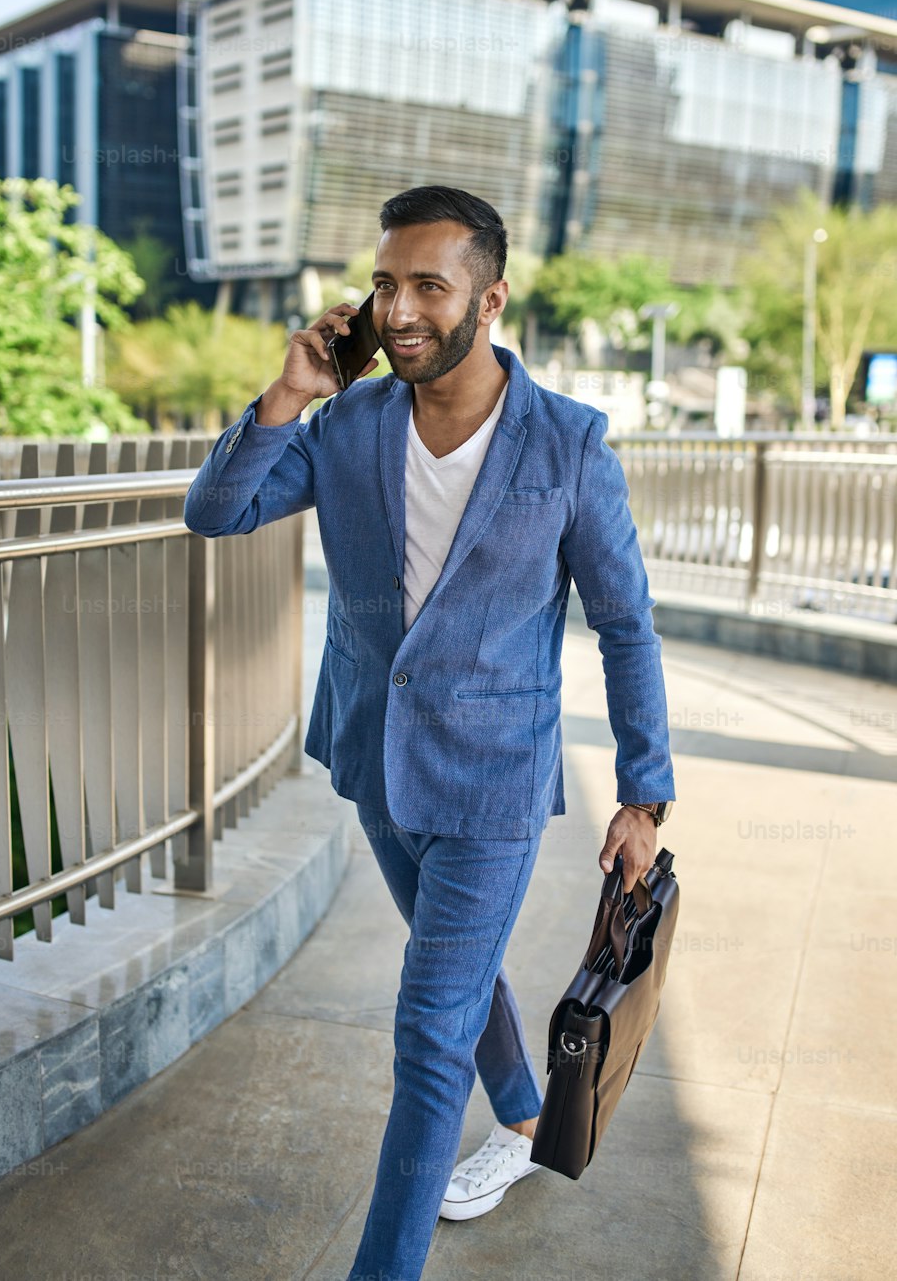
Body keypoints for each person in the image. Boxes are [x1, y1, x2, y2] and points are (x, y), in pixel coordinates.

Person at [183, 185, 676, 1281]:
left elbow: (625, 624)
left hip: (495, 781)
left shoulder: (568, 443)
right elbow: (215, 511)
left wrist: (642, 796)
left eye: (427, 286)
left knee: (426, 1028)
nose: (397, 309)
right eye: (383, 284)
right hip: (374, 759)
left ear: (488, 298)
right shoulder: (348, 423)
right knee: (452, 973)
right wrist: (287, 392)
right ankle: (522, 1114)